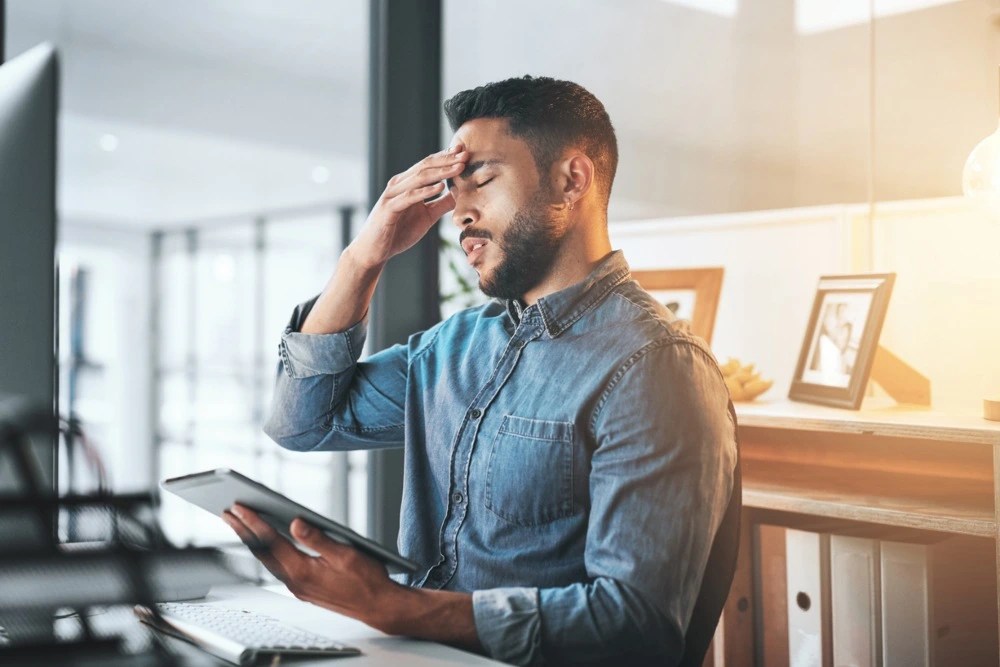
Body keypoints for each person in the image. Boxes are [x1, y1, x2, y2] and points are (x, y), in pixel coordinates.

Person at [222, 75, 737, 666]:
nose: (458, 212)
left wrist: (397, 608)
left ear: (572, 180)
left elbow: (635, 624)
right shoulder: (452, 347)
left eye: (483, 180)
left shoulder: (657, 366)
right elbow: (302, 422)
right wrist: (365, 255)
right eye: (451, 189)